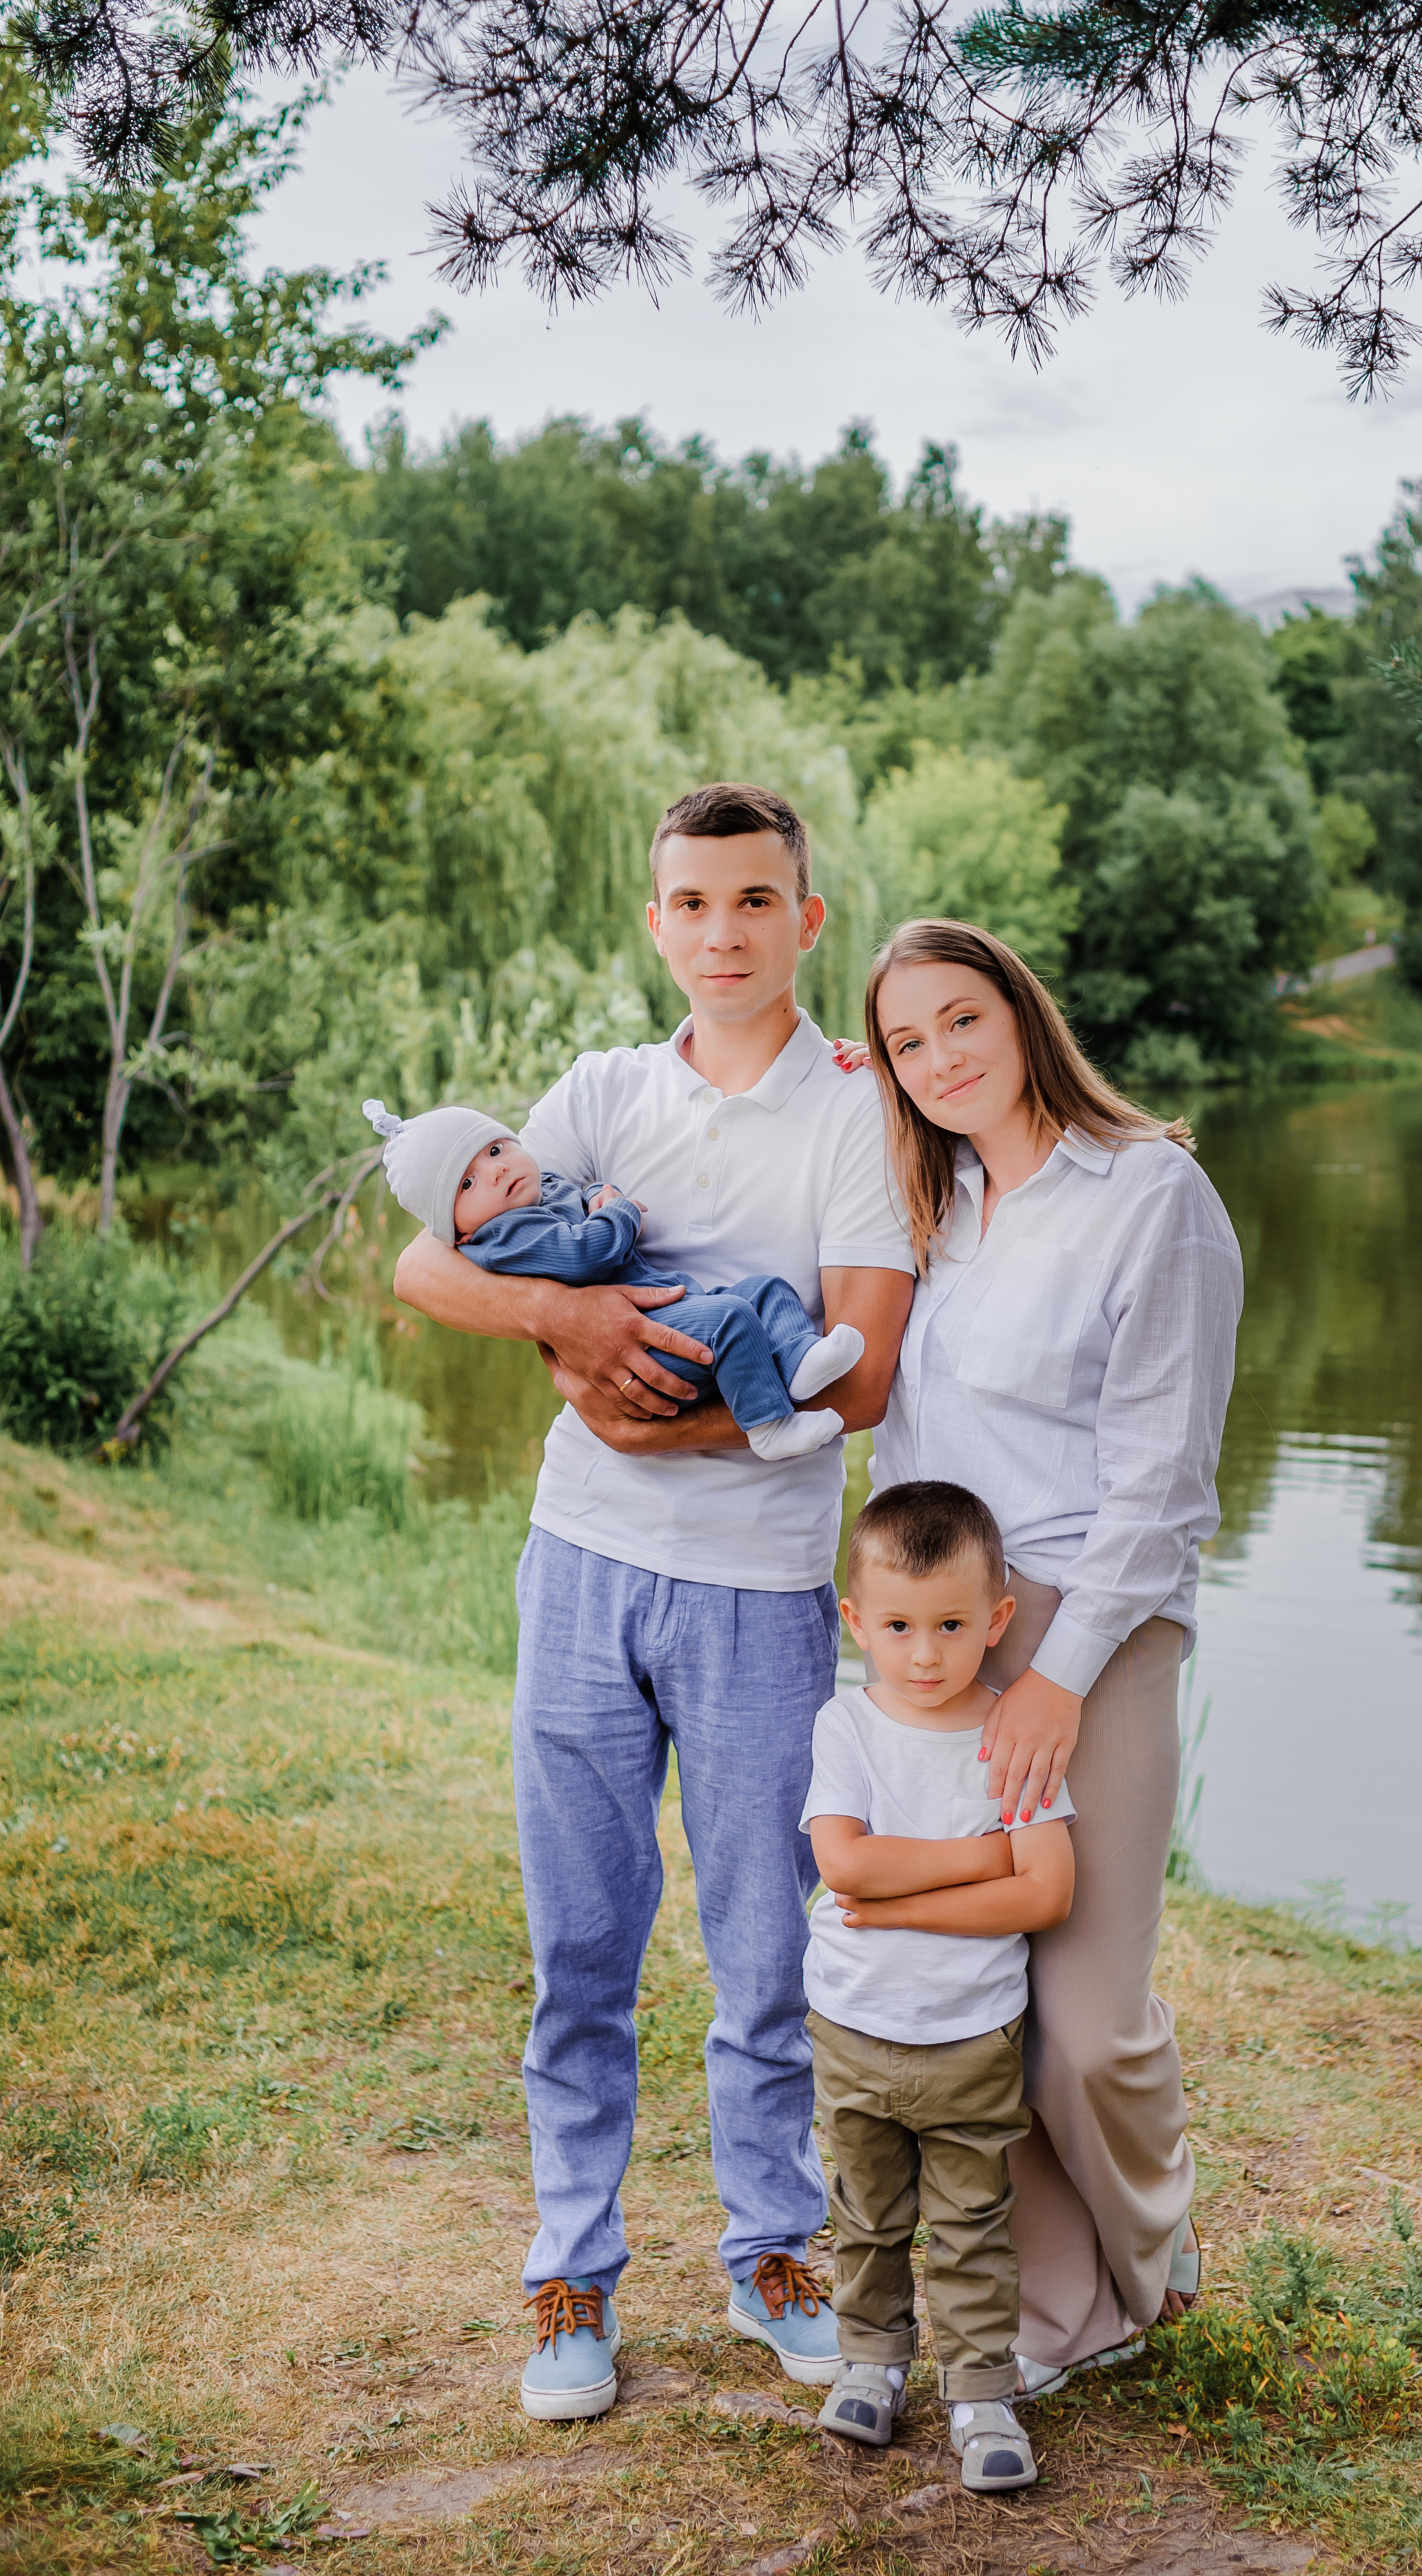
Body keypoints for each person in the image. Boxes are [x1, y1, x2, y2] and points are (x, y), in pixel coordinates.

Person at [391, 783, 917, 2422]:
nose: (722, 933)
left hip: (760, 1591)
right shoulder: (605, 1091)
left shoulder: (853, 1107)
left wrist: (649, 1402)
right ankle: (570, 2276)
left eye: (754, 902)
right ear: (655, 922)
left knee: (765, 1947)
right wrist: (586, 1335)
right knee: (583, 1946)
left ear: (806, 921)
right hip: (585, 1570)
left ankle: (771, 2247)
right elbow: (427, 1264)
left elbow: (869, 1368)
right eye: (692, 904)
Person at [862, 918, 1242, 2397]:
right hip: (943, 1641)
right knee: (975, 2006)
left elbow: (1165, 1488)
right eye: (906, 1041)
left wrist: (1058, 1671)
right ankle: (1059, 2308)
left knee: (1081, 2028)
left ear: (1022, 1012)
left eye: (963, 1019)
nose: (942, 1057)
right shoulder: (928, 1199)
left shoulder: (1153, 1193)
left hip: (1098, 1632)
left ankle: (1158, 2240)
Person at [804, 1478, 1074, 2493]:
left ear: (996, 1620)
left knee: (971, 2222)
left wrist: (911, 1890)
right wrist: (980, 1857)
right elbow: (846, 1870)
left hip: (970, 2036)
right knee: (867, 2213)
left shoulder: (1014, 1738)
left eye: (953, 1625)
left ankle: (980, 2392)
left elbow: (1044, 1891)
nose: (926, 1653)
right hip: (855, 2025)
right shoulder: (848, 1728)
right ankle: (871, 2359)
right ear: (857, 1623)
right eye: (901, 1625)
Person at [362, 1098, 863, 1460]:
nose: (494, 1172)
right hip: (646, 1341)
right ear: (460, 1233)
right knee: (732, 1317)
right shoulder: (507, 1233)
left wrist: (602, 1192)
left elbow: (584, 1193)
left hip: (668, 1303)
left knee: (766, 1290)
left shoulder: (539, 1190)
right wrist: (620, 1211)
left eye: (495, 1150)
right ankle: (769, 1424)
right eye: (467, 1183)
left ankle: (798, 1359)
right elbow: (587, 1255)